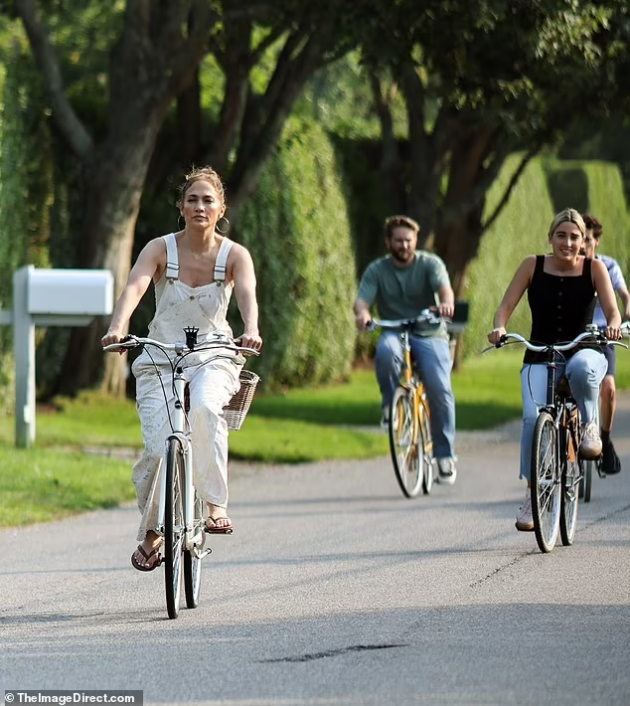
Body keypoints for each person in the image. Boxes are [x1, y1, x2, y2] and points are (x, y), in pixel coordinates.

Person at [101, 166, 262, 571]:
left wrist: (252, 330)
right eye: (192, 199)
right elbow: (136, 286)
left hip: (214, 355)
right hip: (161, 354)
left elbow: (246, 295)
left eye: (208, 200)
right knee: (159, 449)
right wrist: (118, 328)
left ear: (221, 207)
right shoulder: (160, 249)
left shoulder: (234, 255)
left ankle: (214, 503)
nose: (200, 206)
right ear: (181, 206)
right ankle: (154, 531)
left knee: (206, 409)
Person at [488, 208, 621, 531]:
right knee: (533, 420)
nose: (568, 242)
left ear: (583, 241)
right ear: (550, 238)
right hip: (540, 352)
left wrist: (614, 327)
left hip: (585, 348)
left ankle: (589, 426)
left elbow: (613, 312)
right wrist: (499, 328)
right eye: (561, 235)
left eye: (574, 236)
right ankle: (532, 498)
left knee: (580, 368)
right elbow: (504, 308)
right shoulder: (531, 265)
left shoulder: (595, 269)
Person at [353, 214, 458, 485]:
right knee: (386, 352)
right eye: (398, 240)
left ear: (416, 241)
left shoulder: (430, 264)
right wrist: (363, 315)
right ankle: (391, 405)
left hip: (430, 332)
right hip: (394, 330)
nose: (404, 245)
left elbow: (445, 290)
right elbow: (362, 301)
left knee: (439, 388)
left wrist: (446, 304)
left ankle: (444, 456)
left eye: (408, 240)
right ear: (389, 242)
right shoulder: (377, 270)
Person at [581, 214, 629, 475]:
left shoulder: (608, 267)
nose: (582, 246)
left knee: (608, 387)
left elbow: (624, 295)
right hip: (577, 335)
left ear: (596, 241)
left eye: (587, 240)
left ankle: (606, 439)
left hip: (603, 335)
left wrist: (625, 315)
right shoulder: (569, 266)